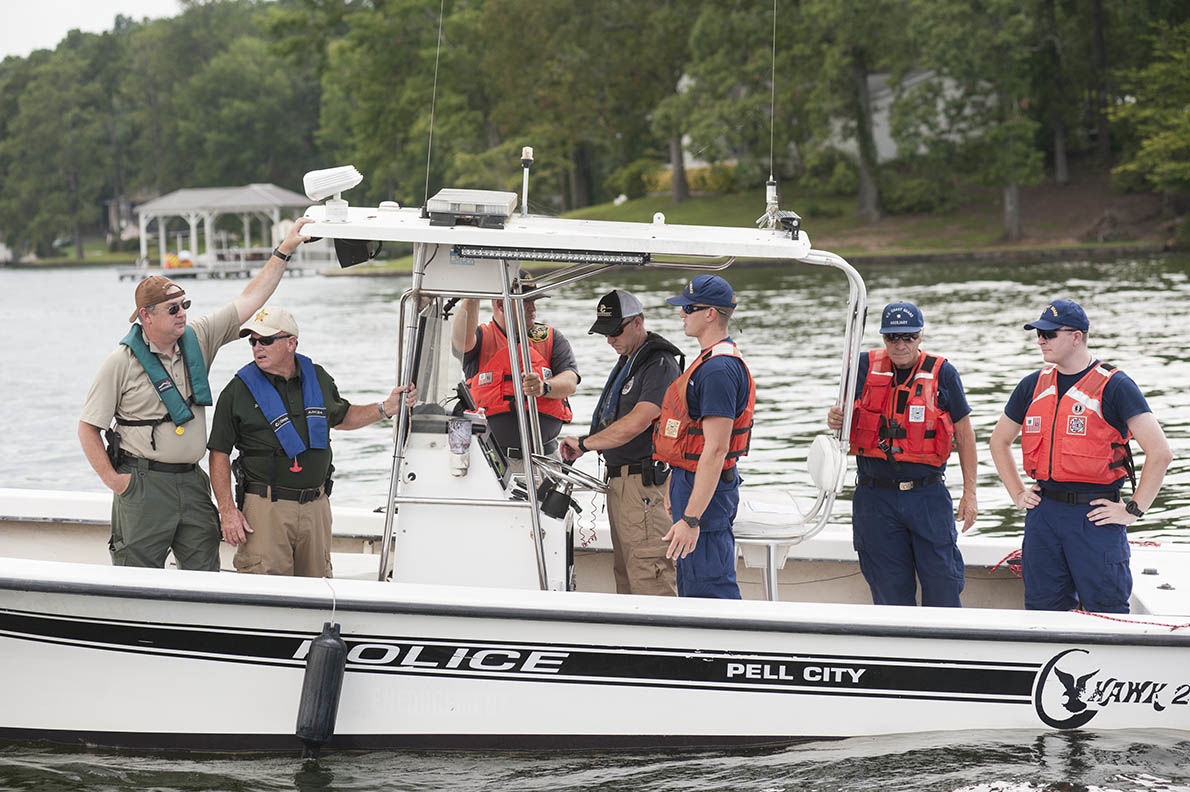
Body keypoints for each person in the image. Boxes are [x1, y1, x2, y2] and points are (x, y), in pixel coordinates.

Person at [78, 219, 312, 570]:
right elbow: (87, 428)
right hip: (142, 484)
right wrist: (116, 482)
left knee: (205, 570)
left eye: (184, 304)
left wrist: (285, 250)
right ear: (146, 316)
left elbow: (250, 298)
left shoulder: (199, 337)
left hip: (192, 480)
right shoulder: (119, 363)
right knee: (137, 576)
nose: (183, 313)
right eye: (173, 309)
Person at [989, 299, 1171, 613]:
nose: (1041, 340)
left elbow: (1160, 453)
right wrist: (1018, 493)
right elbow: (999, 441)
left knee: (1106, 609)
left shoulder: (1115, 386)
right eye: (1038, 334)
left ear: (1077, 337)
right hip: (1043, 515)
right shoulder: (1033, 385)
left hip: (1094, 516)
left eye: (1049, 333)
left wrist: (1132, 510)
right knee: (1042, 610)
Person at [206, 307, 415, 577]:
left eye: (266, 340)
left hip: (316, 507)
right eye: (253, 341)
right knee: (267, 592)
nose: (257, 347)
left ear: (291, 342)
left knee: (318, 589)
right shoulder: (238, 390)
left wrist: (386, 407)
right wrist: (228, 511)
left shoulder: (317, 377)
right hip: (265, 510)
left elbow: (342, 416)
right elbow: (218, 453)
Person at [826, 301, 978, 607]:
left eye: (908, 336)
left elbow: (964, 434)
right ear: (883, 338)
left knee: (943, 584)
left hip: (927, 495)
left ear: (920, 336)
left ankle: (946, 653)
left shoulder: (944, 373)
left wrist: (970, 493)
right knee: (888, 591)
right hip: (875, 498)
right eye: (893, 337)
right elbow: (842, 419)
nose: (900, 344)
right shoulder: (862, 367)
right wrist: (834, 419)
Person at [560, 290, 683, 596]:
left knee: (650, 575)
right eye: (605, 333)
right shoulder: (629, 360)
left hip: (644, 490)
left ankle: (659, 643)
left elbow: (639, 421)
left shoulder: (659, 363)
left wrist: (586, 444)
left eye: (615, 331)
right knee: (627, 575)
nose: (609, 340)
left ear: (638, 323)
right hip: (623, 487)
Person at [653, 275, 755, 599]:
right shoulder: (709, 361)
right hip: (692, 483)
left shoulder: (718, 370)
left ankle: (726, 650)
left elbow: (716, 449)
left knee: (710, 589)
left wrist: (692, 518)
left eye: (687, 308)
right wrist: (675, 483)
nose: (681, 314)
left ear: (710, 313)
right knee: (692, 583)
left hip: (706, 496)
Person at [450, 271, 579, 458]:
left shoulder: (552, 338)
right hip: (491, 459)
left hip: (543, 455)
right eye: (526, 301)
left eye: (534, 301)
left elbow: (570, 381)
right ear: (501, 304)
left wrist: (544, 387)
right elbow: (461, 343)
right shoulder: (480, 338)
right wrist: (473, 293)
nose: (533, 308)